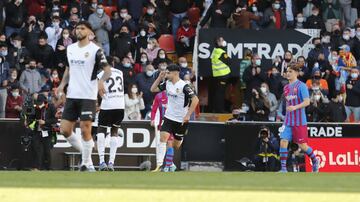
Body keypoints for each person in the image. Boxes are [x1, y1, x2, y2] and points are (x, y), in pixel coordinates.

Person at [57, 21, 112, 172]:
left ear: (89, 32)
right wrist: (62, 86)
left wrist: (101, 82)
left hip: (88, 95)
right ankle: (86, 156)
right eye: (77, 28)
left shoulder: (96, 50)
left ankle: (86, 164)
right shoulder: (70, 49)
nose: (79, 30)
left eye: (82, 28)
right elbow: (68, 70)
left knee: (85, 129)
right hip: (72, 94)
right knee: (65, 130)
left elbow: (107, 71)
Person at [150, 64, 199, 172]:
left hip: (181, 120)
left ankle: (170, 164)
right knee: (163, 139)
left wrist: (187, 115)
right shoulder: (167, 83)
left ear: (175, 73)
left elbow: (195, 100)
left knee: (176, 145)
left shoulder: (184, 86)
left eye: (168, 73)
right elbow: (153, 89)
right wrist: (159, 78)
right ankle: (160, 165)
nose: (166, 74)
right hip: (168, 117)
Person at [279, 63, 319, 173]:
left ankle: (315, 160)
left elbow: (307, 102)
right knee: (283, 141)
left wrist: (295, 107)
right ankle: (283, 169)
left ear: (296, 73)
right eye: (287, 71)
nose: (288, 73)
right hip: (288, 121)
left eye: (290, 71)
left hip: (299, 121)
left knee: (303, 145)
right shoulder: (286, 88)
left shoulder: (301, 86)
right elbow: (287, 104)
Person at [96, 66, 125, 171]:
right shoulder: (120, 72)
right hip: (120, 105)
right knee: (114, 131)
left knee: (101, 129)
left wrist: (102, 101)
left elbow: (100, 90)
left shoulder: (102, 73)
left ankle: (102, 161)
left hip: (108, 105)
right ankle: (111, 163)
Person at [29, 94, 57, 170]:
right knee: (36, 148)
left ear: (45, 101)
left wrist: (45, 122)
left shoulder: (51, 107)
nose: (39, 103)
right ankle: (37, 167)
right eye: (38, 102)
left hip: (47, 131)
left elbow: (55, 120)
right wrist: (29, 120)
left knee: (47, 150)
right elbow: (31, 117)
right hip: (37, 130)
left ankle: (48, 167)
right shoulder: (35, 107)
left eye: (41, 102)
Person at [150, 90, 176, 172]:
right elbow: (154, 109)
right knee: (162, 143)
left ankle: (167, 166)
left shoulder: (176, 95)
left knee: (169, 143)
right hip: (162, 124)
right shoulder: (159, 96)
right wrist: (153, 119)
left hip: (173, 122)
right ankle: (170, 165)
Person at [209, 36, 231, 113]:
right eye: (221, 40)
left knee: (217, 92)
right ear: (218, 43)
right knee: (220, 94)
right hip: (222, 75)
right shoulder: (220, 52)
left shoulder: (215, 50)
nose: (223, 41)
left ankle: (216, 109)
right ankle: (220, 110)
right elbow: (229, 60)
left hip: (217, 75)